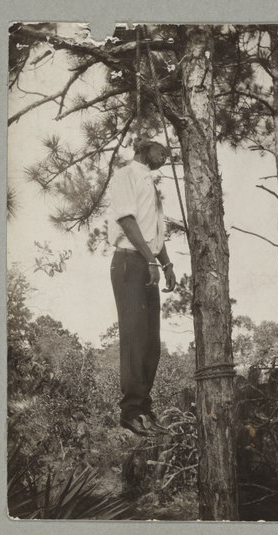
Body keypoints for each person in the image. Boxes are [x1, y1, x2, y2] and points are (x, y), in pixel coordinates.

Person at [109, 139, 176, 437]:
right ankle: (130, 411)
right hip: (129, 262)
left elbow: (154, 233)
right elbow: (126, 220)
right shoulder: (126, 174)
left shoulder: (151, 183)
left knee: (151, 343)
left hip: (148, 263)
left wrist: (167, 264)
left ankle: (145, 408)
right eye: (161, 150)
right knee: (135, 337)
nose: (166, 156)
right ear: (144, 148)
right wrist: (151, 263)